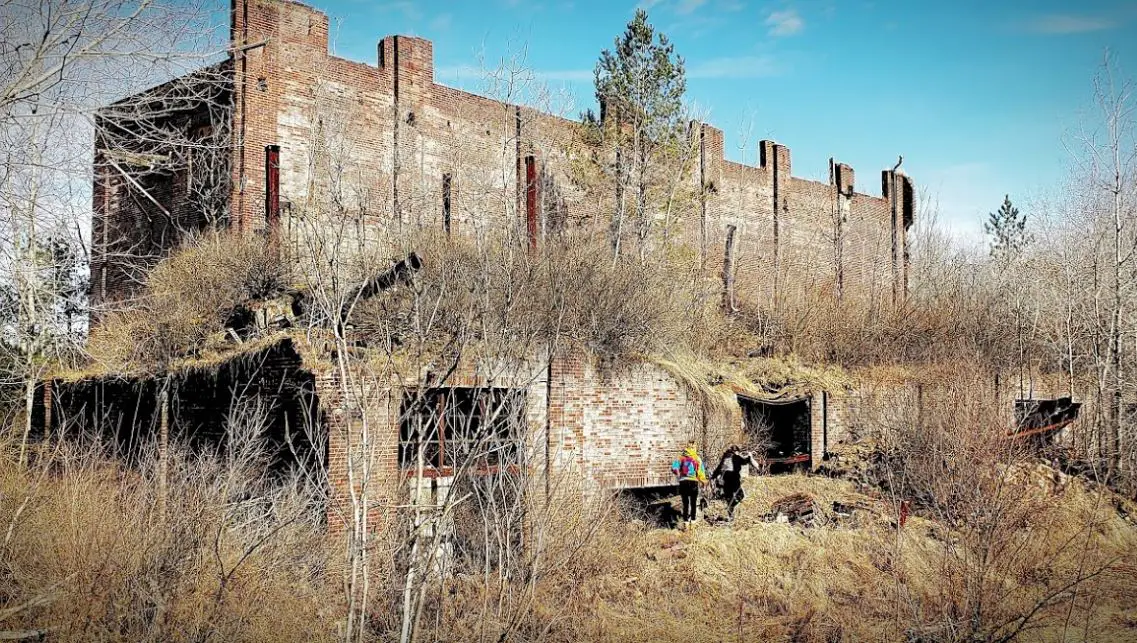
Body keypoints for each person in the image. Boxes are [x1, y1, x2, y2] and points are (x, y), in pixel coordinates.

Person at [712, 444, 762, 519]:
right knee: (741, 495)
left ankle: (730, 515)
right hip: (734, 480)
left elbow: (718, 468)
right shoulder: (736, 457)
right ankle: (731, 506)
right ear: (736, 452)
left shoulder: (725, 458)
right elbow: (745, 461)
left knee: (729, 498)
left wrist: (713, 476)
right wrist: (749, 456)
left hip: (725, 481)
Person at [671, 443, 708, 527]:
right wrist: (703, 481)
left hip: (683, 482)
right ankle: (693, 522)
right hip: (693, 482)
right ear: (694, 448)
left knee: (685, 503)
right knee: (693, 502)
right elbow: (700, 472)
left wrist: (678, 473)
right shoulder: (697, 458)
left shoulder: (681, 458)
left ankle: (686, 523)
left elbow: (674, 468)